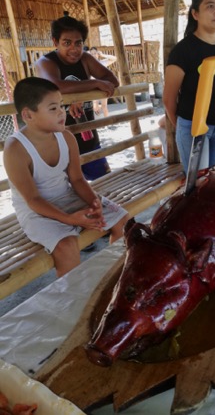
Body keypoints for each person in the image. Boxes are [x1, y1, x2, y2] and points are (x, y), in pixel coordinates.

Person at [3, 77, 128, 277]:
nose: (62, 112)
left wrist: (94, 202)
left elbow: (77, 180)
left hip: (67, 197)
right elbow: (33, 200)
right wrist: (70, 219)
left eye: (61, 105)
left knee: (123, 221)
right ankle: (72, 300)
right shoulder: (16, 149)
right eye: (53, 108)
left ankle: (114, 277)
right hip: (35, 210)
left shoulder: (66, 138)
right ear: (28, 115)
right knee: (67, 246)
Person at [163, 0, 215, 172]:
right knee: (199, 183)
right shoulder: (183, 51)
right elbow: (168, 98)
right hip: (192, 127)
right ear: (195, 14)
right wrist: (184, 128)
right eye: (210, 6)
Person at [35, 14, 119, 180]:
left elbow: (112, 81)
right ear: (55, 42)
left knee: (104, 185)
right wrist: (91, 86)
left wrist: (80, 95)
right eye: (67, 43)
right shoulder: (45, 62)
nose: (74, 49)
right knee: (67, 196)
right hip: (58, 145)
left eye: (78, 43)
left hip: (89, 140)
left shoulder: (86, 59)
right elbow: (55, 85)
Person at [89, 46, 117, 117]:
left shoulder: (102, 63)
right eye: (91, 54)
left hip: (103, 87)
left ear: (98, 54)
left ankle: (107, 122)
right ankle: (98, 107)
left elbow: (114, 58)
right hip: (94, 88)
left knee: (104, 107)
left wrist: (102, 55)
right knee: (95, 107)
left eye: (95, 53)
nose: (93, 55)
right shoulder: (88, 65)